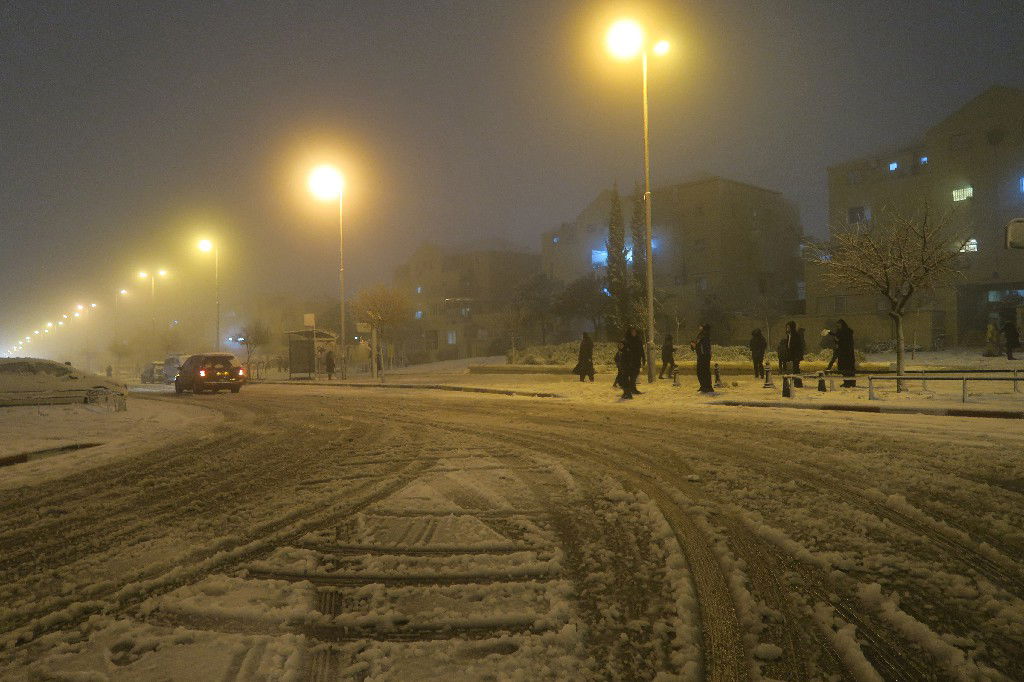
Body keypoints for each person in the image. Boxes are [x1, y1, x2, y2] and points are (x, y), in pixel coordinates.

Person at [831, 319, 857, 387]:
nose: (838, 327)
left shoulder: (847, 332)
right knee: (844, 368)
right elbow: (838, 338)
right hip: (842, 353)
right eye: (837, 326)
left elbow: (845, 342)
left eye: (839, 325)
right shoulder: (841, 331)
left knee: (848, 368)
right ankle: (846, 382)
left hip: (847, 354)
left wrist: (838, 341)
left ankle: (850, 382)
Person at [623, 327, 646, 395]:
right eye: (632, 331)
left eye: (635, 331)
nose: (634, 333)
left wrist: (643, 358)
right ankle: (631, 389)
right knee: (631, 375)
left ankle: (632, 388)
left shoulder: (638, 339)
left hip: (637, 360)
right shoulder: (627, 340)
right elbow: (623, 349)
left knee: (635, 374)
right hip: (629, 360)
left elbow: (641, 349)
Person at [691, 324, 713, 393]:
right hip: (703, 355)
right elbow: (699, 344)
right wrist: (694, 345)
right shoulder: (702, 335)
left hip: (703, 356)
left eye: (701, 327)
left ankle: (706, 387)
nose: (700, 327)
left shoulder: (704, 335)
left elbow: (701, 345)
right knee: (704, 371)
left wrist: (695, 345)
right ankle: (705, 386)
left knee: (702, 371)